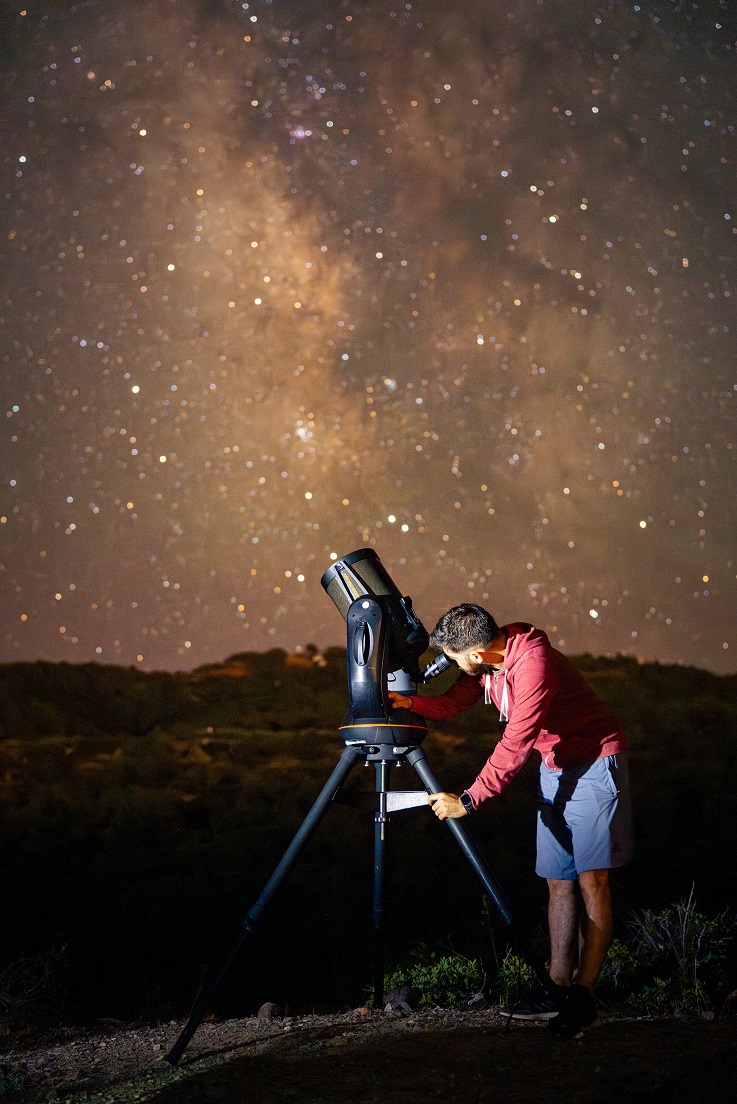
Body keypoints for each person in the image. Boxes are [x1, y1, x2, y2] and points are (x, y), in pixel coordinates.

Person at [389, 603, 633, 1030]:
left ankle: (583, 995)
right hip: (556, 768)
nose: (452, 665)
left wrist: (469, 799)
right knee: (558, 880)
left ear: (476, 653)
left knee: (592, 879)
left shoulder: (533, 666)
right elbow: (449, 706)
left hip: (594, 764)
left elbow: (516, 742)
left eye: (454, 658)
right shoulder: (486, 667)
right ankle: (557, 986)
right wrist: (405, 702)